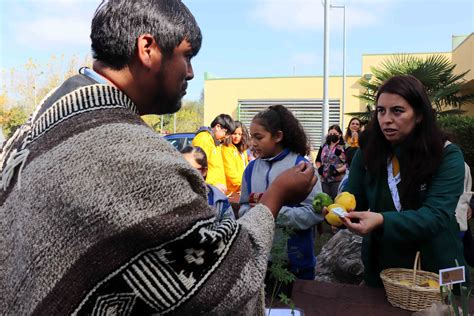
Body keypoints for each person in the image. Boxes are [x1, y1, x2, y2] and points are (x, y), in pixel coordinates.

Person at [0, 1, 318, 314]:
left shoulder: (49, 113)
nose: (191, 73)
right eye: (187, 56)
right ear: (148, 48)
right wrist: (274, 199)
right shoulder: (131, 154)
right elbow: (220, 283)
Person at [341, 75, 469, 287]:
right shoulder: (367, 153)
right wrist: (336, 210)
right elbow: (354, 199)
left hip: (438, 267)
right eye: (381, 111)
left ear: (419, 115)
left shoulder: (447, 155)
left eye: (397, 111)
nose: (386, 119)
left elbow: (435, 216)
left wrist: (381, 220)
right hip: (383, 269)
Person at [239, 105, 324, 282]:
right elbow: (244, 206)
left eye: (259, 137)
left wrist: (273, 212)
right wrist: (253, 213)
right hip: (259, 259)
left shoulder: (303, 168)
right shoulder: (250, 169)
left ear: (278, 136)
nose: (252, 143)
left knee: (296, 308)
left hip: (296, 262)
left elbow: (316, 212)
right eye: (251, 137)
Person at [181, 145, 235, 221]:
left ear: (204, 171)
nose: (185, 174)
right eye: (181, 169)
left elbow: (230, 227)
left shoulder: (218, 200)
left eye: (191, 170)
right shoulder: (169, 198)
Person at [192, 114, 235, 193]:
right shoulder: (203, 139)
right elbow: (196, 169)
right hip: (209, 192)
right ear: (218, 127)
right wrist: (211, 186)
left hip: (216, 192)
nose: (226, 137)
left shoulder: (215, 141)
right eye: (226, 133)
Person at [315, 125, 347, 200]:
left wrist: (337, 171)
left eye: (335, 134)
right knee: (326, 201)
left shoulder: (344, 146)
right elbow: (318, 160)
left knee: (337, 201)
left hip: (337, 179)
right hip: (324, 179)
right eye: (330, 134)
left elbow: (348, 163)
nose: (332, 136)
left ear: (340, 134)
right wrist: (319, 168)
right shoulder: (324, 146)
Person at [221, 120, 250, 195]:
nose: (237, 136)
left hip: (241, 189)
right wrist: (243, 185)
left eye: (240, 134)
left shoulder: (243, 150)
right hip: (232, 191)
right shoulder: (226, 149)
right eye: (234, 133)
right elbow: (230, 172)